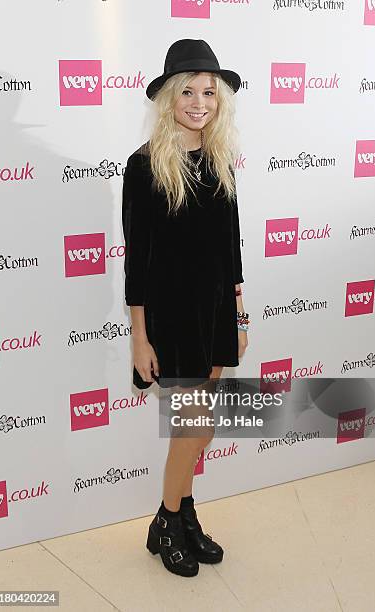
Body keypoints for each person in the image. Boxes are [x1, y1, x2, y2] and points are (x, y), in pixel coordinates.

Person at [121, 39, 249, 577]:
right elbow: (137, 261)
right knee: (188, 428)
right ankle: (169, 522)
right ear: (169, 96)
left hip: (216, 309)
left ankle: (179, 515)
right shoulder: (144, 166)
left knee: (205, 428)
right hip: (172, 317)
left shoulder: (220, 158)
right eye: (189, 91)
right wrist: (140, 337)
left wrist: (239, 316)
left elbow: (230, 243)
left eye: (210, 92)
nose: (200, 102)